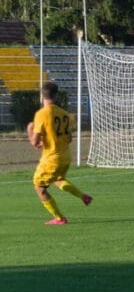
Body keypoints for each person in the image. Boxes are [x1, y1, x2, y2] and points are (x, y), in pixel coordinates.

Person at [27, 81, 92, 226]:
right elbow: (68, 139)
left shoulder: (42, 114)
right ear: (56, 96)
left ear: (41, 96)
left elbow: (34, 142)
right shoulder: (64, 114)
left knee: (39, 187)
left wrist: (29, 129)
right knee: (57, 179)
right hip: (66, 156)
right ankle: (83, 197)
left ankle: (59, 218)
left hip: (52, 158)